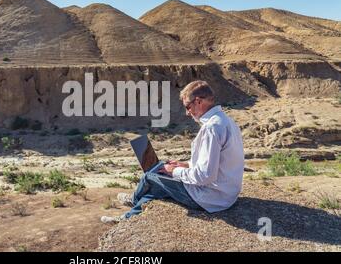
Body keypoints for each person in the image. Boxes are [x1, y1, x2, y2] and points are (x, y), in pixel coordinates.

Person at [101, 80, 245, 224]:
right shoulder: (226, 121)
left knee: (150, 176)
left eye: (188, 107)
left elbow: (205, 176)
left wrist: (173, 171)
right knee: (157, 187)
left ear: (199, 102)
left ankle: (133, 200)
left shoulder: (211, 128)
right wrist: (185, 165)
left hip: (210, 199)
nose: (187, 113)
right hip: (227, 194)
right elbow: (215, 163)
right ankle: (128, 217)